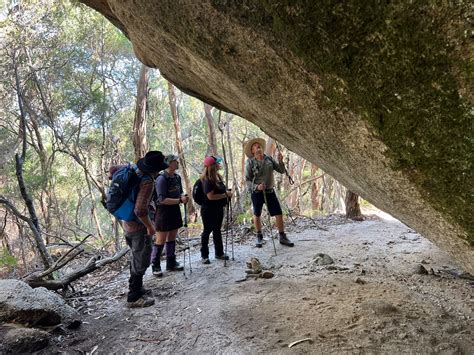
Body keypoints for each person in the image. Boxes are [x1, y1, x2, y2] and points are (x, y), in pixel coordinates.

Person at [110, 150, 168, 308]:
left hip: (127, 223)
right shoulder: (147, 181)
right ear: (156, 170)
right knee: (141, 259)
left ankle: (138, 288)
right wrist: (150, 227)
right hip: (138, 227)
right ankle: (133, 296)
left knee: (136, 257)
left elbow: (112, 170)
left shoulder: (132, 169)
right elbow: (140, 210)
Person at [244, 138, 294, 248]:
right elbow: (247, 180)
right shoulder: (250, 163)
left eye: (259, 145)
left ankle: (282, 236)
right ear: (252, 151)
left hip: (270, 191)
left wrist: (280, 161)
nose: (258, 147)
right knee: (257, 213)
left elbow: (281, 170)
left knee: (278, 213)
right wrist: (257, 186)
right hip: (257, 192)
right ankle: (259, 237)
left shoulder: (269, 159)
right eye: (255, 146)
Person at [150, 154, 188, 276]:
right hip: (163, 212)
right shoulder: (161, 179)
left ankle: (170, 262)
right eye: (175, 161)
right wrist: (179, 201)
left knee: (172, 237)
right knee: (160, 239)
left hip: (174, 210)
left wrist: (182, 196)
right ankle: (155, 265)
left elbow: (180, 191)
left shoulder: (177, 177)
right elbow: (162, 199)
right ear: (169, 163)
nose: (177, 163)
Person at [199, 155, 233, 264]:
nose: (219, 164)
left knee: (217, 230)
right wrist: (225, 195)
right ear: (213, 166)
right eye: (217, 163)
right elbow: (210, 196)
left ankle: (219, 253)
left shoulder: (217, 176)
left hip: (218, 208)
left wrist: (226, 194)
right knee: (207, 231)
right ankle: (204, 255)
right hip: (208, 210)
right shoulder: (206, 179)